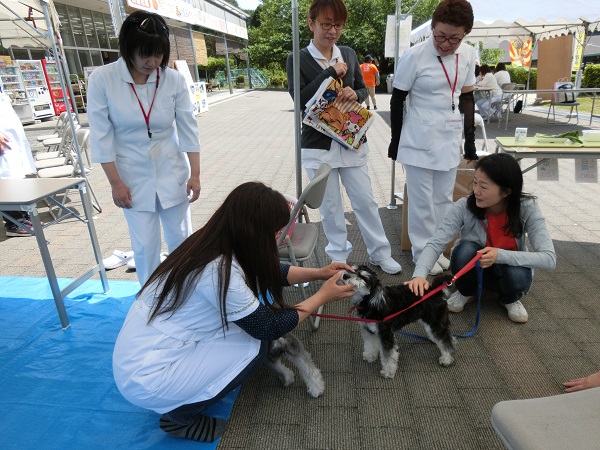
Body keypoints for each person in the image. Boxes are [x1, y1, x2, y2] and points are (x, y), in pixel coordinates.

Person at [112, 182, 356, 442]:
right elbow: (268, 327)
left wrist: (318, 274)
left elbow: (269, 271)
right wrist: (322, 296)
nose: (281, 237)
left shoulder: (214, 240)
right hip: (148, 375)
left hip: (151, 345)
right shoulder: (219, 271)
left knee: (250, 328)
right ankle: (180, 418)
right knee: (257, 344)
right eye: (276, 231)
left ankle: (187, 391)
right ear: (254, 230)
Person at [286, 0, 401, 275]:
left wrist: (356, 94)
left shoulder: (348, 53)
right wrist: (329, 73)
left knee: (365, 201)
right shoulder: (297, 58)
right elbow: (300, 99)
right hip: (317, 144)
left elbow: (361, 89)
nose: (332, 31)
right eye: (326, 24)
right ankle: (338, 260)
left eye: (338, 25)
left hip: (351, 140)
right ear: (311, 23)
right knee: (331, 208)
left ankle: (380, 253)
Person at [87, 11, 201, 285]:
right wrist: (115, 183)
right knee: (145, 245)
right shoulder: (103, 79)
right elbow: (101, 137)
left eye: (159, 55)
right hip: (131, 174)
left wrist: (195, 174)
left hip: (171, 169)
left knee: (181, 239)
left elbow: (188, 129)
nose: (153, 62)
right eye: (145, 55)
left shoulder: (173, 79)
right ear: (128, 49)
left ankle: (185, 291)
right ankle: (150, 300)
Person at [405, 153, 556, 324]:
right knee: (464, 250)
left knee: (518, 277)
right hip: (474, 267)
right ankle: (466, 291)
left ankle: (509, 298)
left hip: (506, 267)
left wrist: (499, 255)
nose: (475, 191)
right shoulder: (464, 205)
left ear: (506, 191)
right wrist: (419, 276)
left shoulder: (527, 207)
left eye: (483, 186)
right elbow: (435, 243)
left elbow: (549, 258)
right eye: (475, 182)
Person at [388, 0, 477, 275]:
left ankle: (436, 249)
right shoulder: (414, 56)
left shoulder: (469, 54)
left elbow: (467, 97)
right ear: (433, 28)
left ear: (465, 35)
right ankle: (421, 254)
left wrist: (470, 140)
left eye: (454, 38)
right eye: (440, 35)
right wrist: (395, 139)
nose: (446, 43)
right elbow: (397, 99)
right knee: (421, 202)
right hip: (418, 140)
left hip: (449, 139)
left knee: (442, 201)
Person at [0, 89, 37, 237]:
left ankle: (23, 217)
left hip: (10, 135)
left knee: (16, 176)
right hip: (3, 140)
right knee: (7, 179)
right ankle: (14, 223)